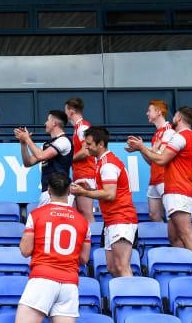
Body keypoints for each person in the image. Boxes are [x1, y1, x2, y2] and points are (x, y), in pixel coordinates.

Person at [127, 106, 192, 265]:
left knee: (186, 235)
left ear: (179, 117)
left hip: (178, 190)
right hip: (180, 189)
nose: (173, 117)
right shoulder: (191, 137)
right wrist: (144, 150)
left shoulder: (180, 137)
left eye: (175, 116)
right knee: (174, 237)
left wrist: (141, 147)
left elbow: (160, 160)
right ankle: (184, 268)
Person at [16, 173, 91, 323]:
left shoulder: (36, 214)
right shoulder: (83, 222)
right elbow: (84, 259)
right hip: (70, 284)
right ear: (70, 191)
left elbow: (25, 251)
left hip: (43, 279)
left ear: (49, 190)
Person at [71, 127, 138, 277]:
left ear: (100, 144)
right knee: (113, 267)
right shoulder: (102, 162)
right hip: (112, 220)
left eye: (89, 144)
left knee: (122, 266)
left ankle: (132, 300)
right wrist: (92, 188)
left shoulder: (108, 164)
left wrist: (85, 192)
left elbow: (110, 194)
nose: (86, 147)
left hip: (121, 219)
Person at [126, 100, 174, 222]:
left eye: (149, 110)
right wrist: (140, 149)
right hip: (154, 179)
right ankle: (163, 240)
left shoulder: (169, 131)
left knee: (171, 216)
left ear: (158, 112)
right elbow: (152, 161)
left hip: (165, 179)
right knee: (154, 215)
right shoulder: (157, 134)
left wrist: (144, 148)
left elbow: (161, 156)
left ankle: (174, 240)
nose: (147, 113)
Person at [14, 110, 73, 207]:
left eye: (47, 120)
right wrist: (23, 143)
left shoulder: (64, 140)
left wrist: (28, 139)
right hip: (47, 192)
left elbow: (42, 156)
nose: (45, 123)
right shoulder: (46, 145)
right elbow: (28, 162)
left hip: (60, 193)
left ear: (54, 123)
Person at [64, 98, 95, 223]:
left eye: (65, 110)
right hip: (80, 174)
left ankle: (93, 241)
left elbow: (86, 151)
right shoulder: (78, 128)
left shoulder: (82, 128)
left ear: (71, 111)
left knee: (86, 213)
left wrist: (67, 159)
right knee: (78, 214)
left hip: (85, 174)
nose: (64, 114)